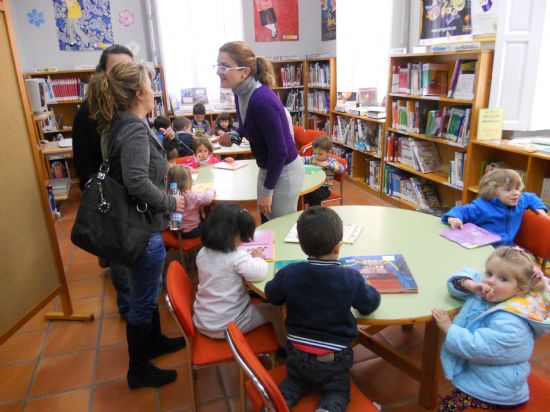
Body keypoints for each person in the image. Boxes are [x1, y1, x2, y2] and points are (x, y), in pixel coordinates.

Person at [87, 62, 186, 389]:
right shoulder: (131, 127)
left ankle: (154, 341)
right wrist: (171, 202)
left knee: (148, 290)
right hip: (141, 229)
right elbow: (136, 180)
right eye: (150, 83)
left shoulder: (121, 123)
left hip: (139, 225)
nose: (154, 88)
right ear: (139, 92)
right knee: (144, 298)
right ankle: (138, 369)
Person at [265, 206, 381, 411]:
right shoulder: (350, 278)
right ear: (338, 247)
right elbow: (369, 304)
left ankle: (276, 405)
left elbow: (272, 295)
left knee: (293, 384)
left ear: (301, 245)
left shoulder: (290, 272)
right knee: (337, 393)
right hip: (334, 358)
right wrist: (369, 288)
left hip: (297, 354)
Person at [432, 246, 550, 411]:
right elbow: (457, 279)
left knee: (446, 407)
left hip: (498, 391)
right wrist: (471, 285)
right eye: (489, 273)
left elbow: (477, 347)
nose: (490, 281)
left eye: (503, 279)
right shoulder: (495, 292)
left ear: (520, 289)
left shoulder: (512, 322)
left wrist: (448, 328)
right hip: (484, 375)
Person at [72, 44, 134, 320]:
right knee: (120, 258)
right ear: (102, 73)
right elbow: (83, 161)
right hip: (110, 198)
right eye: (116, 70)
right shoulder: (86, 112)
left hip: (135, 195)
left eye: (128, 69)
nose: (123, 76)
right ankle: (131, 315)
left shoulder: (131, 105)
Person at [216, 41, 305, 221]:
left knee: (279, 229)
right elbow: (246, 125)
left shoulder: (262, 101)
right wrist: (234, 135)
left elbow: (280, 151)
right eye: (218, 64)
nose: (218, 71)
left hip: (285, 171)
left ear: (245, 72)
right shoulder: (239, 91)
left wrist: (268, 191)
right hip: (267, 167)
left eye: (224, 66)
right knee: (266, 222)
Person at [193, 203, 286, 345]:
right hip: (228, 325)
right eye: (242, 237)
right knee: (275, 310)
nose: (243, 242)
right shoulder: (236, 257)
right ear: (232, 236)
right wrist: (258, 258)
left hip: (204, 319)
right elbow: (259, 272)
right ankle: (283, 346)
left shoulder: (202, 253)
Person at [441, 168, 548, 246]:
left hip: (508, 249)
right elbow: (461, 211)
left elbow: (531, 197)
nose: (516, 193)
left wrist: (540, 208)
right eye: (508, 190)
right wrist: (453, 218)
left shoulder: (520, 201)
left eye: (517, 188)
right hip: (485, 249)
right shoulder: (482, 206)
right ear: (492, 192)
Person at [167, 165, 215, 239]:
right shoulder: (188, 195)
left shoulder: (169, 194)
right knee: (212, 223)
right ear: (187, 181)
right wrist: (210, 190)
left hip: (176, 231)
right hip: (191, 231)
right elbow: (207, 199)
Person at [302, 136, 345, 206]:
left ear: (328, 153)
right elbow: (303, 159)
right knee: (301, 194)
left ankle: (314, 214)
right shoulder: (313, 159)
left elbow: (341, 169)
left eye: (320, 154)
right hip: (312, 185)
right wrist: (300, 159)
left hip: (325, 187)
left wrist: (328, 165)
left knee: (315, 195)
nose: (317, 156)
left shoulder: (330, 161)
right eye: (315, 153)